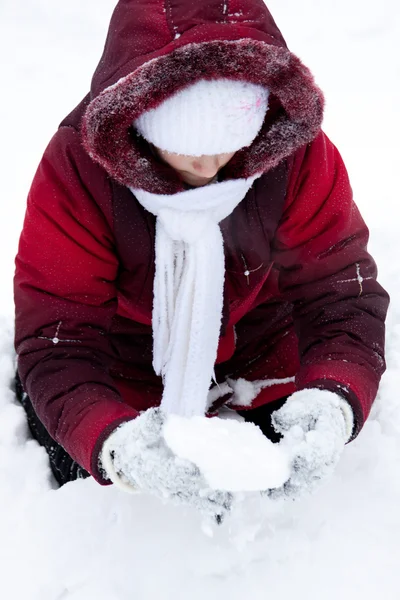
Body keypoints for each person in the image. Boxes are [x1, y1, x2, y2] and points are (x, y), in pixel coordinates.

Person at [14, 0, 389, 521]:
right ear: (138, 120)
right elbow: (60, 336)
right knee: (115, 511)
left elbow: (340, 291)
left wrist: (334, 396)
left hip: (266, 362)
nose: (211, 167)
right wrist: (115, 446)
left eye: (228, 145)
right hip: (126, 377)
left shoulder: (294, 153)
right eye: (187, 146)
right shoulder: (77, 171)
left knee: (281, 513)